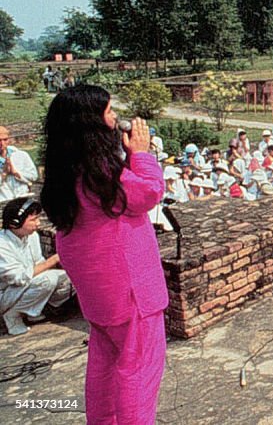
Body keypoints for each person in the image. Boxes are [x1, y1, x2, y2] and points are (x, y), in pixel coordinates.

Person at [40, 85, 167, 423]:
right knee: (138, 371)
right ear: (92, 124)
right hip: (130, 291)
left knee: (105, 368)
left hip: (98, 293)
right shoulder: (101, 176)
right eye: (109, 113)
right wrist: (142, 155)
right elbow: (149, 192)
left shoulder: (66, 173)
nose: (115, 119)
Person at [0, 197, 74, 335]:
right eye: (33, 220)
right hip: (6, 293)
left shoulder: (31, 236)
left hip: (23, 287)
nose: (38, 223)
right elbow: (19, 278)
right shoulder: (2, 244)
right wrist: (52, 261)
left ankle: (36, 310)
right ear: (15, 223)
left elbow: (38, 263)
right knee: (48, 280)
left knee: (73, 277)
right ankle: (13, 315)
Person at [0, 126, 39, 202]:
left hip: (22, 198)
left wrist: (15, 172)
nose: (2, 143)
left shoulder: (21, 155)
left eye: (5, 139)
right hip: (3, 200)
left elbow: (33, 176)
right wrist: (4, 174)